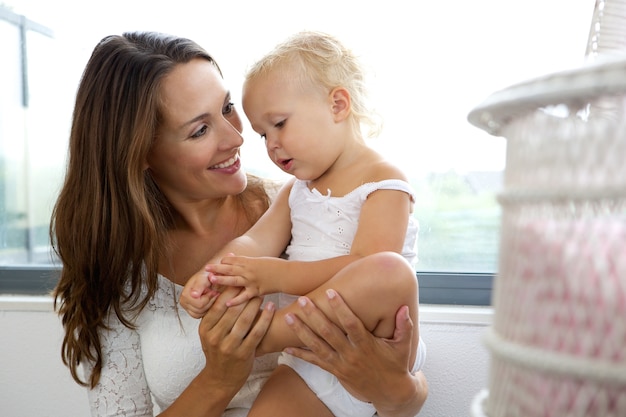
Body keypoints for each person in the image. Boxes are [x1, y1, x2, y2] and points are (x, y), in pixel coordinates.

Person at [51, 31, 428, 417]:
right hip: (299, 380)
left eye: (227, 107)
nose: (239, 138)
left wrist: (398, 392)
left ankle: (268, 335)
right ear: (141, 151)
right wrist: (219, 371)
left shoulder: (314, 197)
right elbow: (250, 248)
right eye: (200, 129)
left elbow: (401, 383)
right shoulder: (118, 267)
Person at [180, 31, 426, 417]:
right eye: (263, 133)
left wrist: (276, 277)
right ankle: (259, 334)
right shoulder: (297, 190)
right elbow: (253, 244)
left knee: (388, 270)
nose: (271, 144)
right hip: (305, 359)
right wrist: (213, 274)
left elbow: (365, 263)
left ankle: (259, 337)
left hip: (376, 345)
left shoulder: (384, 179)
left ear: (338, 104)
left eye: (279, 124)